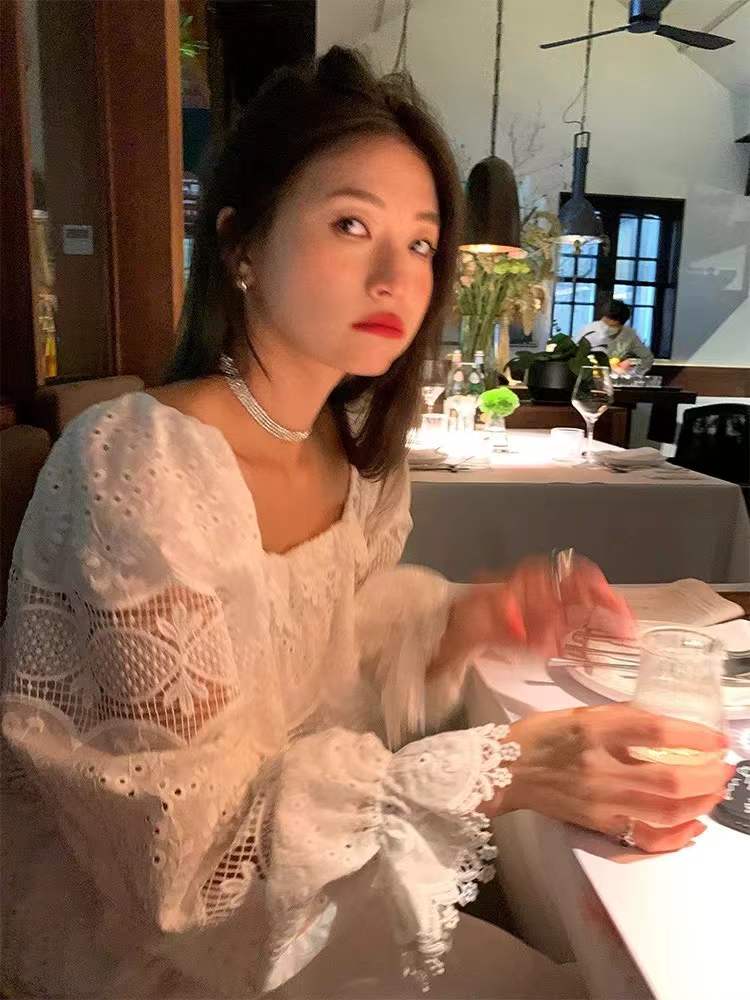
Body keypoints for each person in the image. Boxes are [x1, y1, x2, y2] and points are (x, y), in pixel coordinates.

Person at [1, 48, 730, 1000]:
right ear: (241, 245)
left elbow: (324, 659)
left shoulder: (352, 456)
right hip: (154, 953)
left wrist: (466, 620)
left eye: (422, 244)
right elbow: (184, 872)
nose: (396, 275)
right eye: (351, 224)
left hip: (295, 900)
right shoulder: (140, 462)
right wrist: (503, 767)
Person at [576, 299, 654, 374]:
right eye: (604, 323)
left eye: (612, 325)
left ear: (621, 324)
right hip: (589, 375)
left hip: (615, 377)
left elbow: (647, 357)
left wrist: (635, 374)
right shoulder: (589, 330)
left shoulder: (629, 334)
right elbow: (573, 354)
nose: (606, 328)